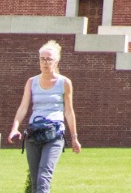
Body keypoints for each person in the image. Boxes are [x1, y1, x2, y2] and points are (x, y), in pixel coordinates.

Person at [7, 40, 81, 193]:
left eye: (49, 59)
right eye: (42, 59)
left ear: (56, 61)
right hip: (33, 135)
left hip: (54, 135)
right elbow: (23, 107)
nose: (45, 62)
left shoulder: (64, 83)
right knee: (35, 183)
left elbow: (69, 111)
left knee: (43, 178)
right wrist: (15, 128)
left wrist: (74, 137)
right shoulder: (31, 82)